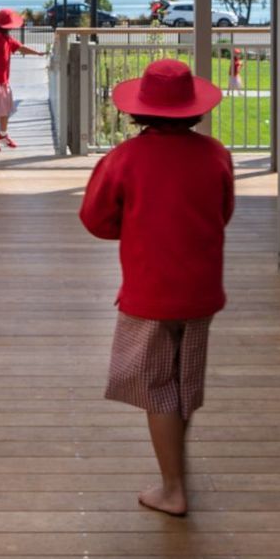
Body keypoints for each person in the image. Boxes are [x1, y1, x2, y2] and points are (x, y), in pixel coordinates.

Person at [79, 58, 234, 517]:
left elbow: (96, 219)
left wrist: (135, 228)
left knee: (158, 388)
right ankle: (176, 474)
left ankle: (172, 487)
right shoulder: (216, 154)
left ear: (138, 111)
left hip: (150, 293)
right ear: (193, 109)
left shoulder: (123, 159)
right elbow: (222, 211)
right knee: (184, 384)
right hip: (201, 289)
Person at [0, 8, 44, 152]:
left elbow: (21, 48)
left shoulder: (6, 38)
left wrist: (37, 53)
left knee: (6, 109)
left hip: (2, 80)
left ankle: (2, 135)